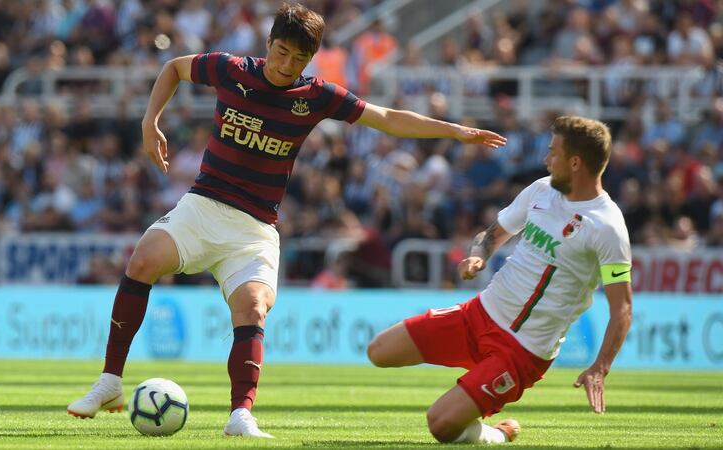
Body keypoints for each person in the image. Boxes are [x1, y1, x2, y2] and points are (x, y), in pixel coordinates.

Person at [66, 2, 507, 439]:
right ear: (268, 43)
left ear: (310, 59)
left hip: (254, 229)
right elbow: (175, 68)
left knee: (253, 307)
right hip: (203, 206)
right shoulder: (231, 69)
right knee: (143, 260)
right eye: (281, 52)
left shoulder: (315, 96)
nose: (286, 64)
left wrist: (454, 130)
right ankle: (109, 383)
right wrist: (150, 121)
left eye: (299, 58)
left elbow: (387, 118)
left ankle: (240, 415)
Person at [367, 116, 633, 444]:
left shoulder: (607, 226)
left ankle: (499, 433)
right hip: (478, 315)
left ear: (575, 162)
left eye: (553, 152)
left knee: (440, 424)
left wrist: (601, 366)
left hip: (522, 349)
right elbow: (492, 235)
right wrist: (479, 254)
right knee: (379, 351)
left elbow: (622, 308)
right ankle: (476, 385)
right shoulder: (541, 190)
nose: (546, 159)